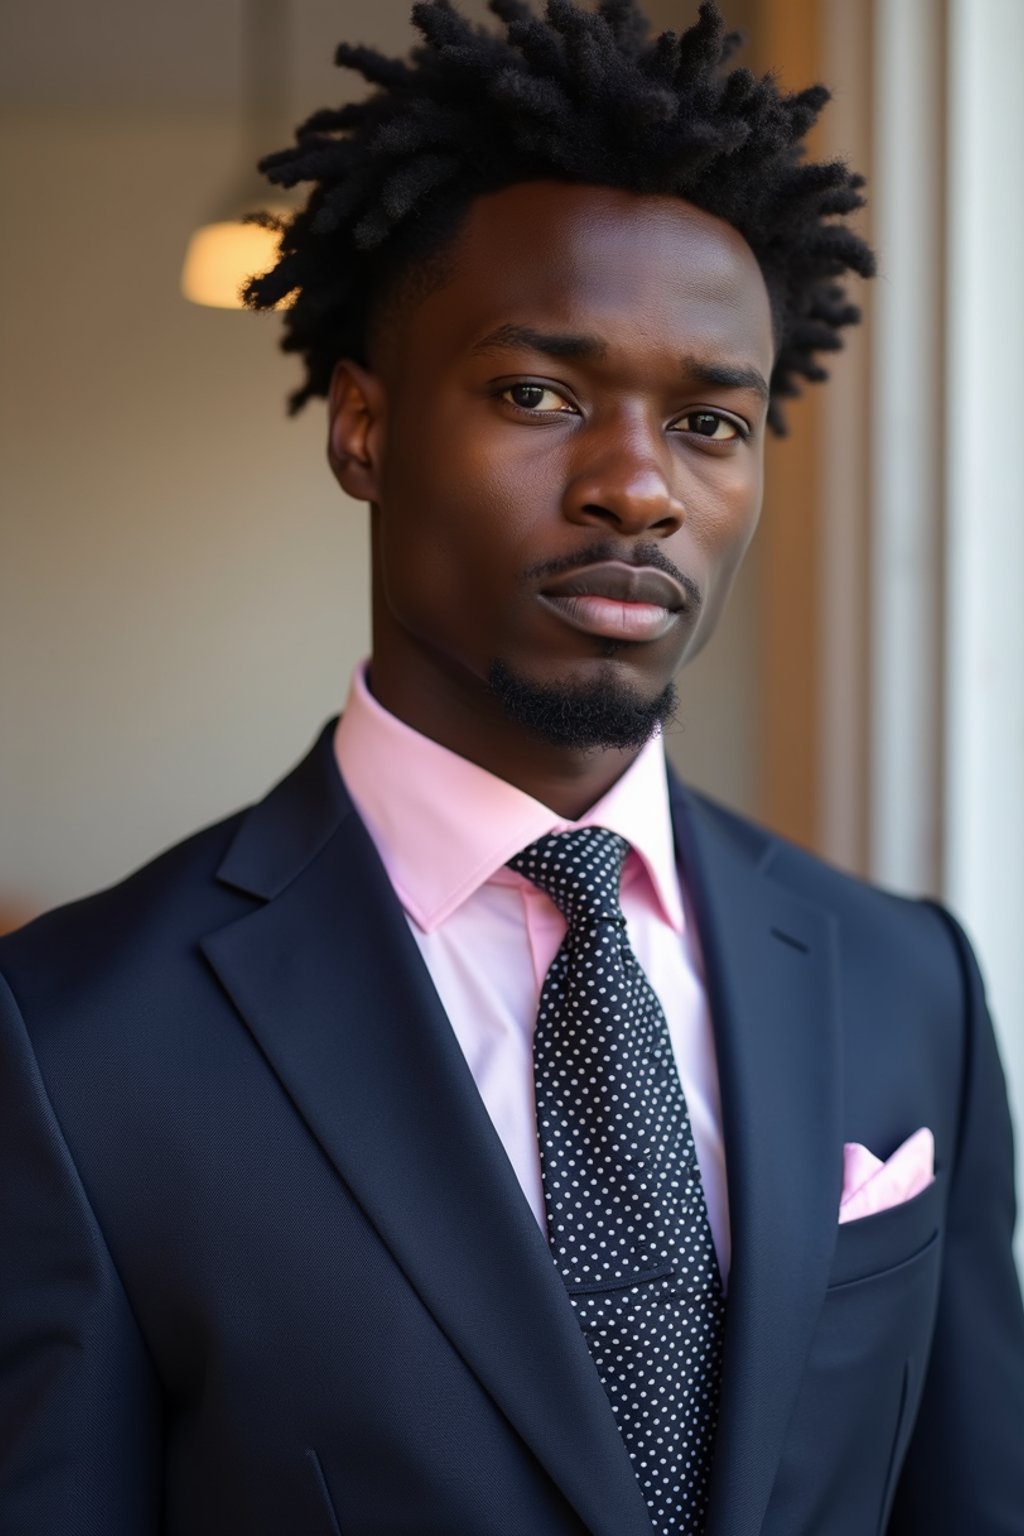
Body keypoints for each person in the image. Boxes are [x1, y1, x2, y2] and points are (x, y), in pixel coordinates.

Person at [1, 1, 1022, 1531]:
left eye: (709, 422)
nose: (637, 487)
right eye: (539, 394)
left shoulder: (907, 983)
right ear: (364, 426)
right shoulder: (74, 1045)